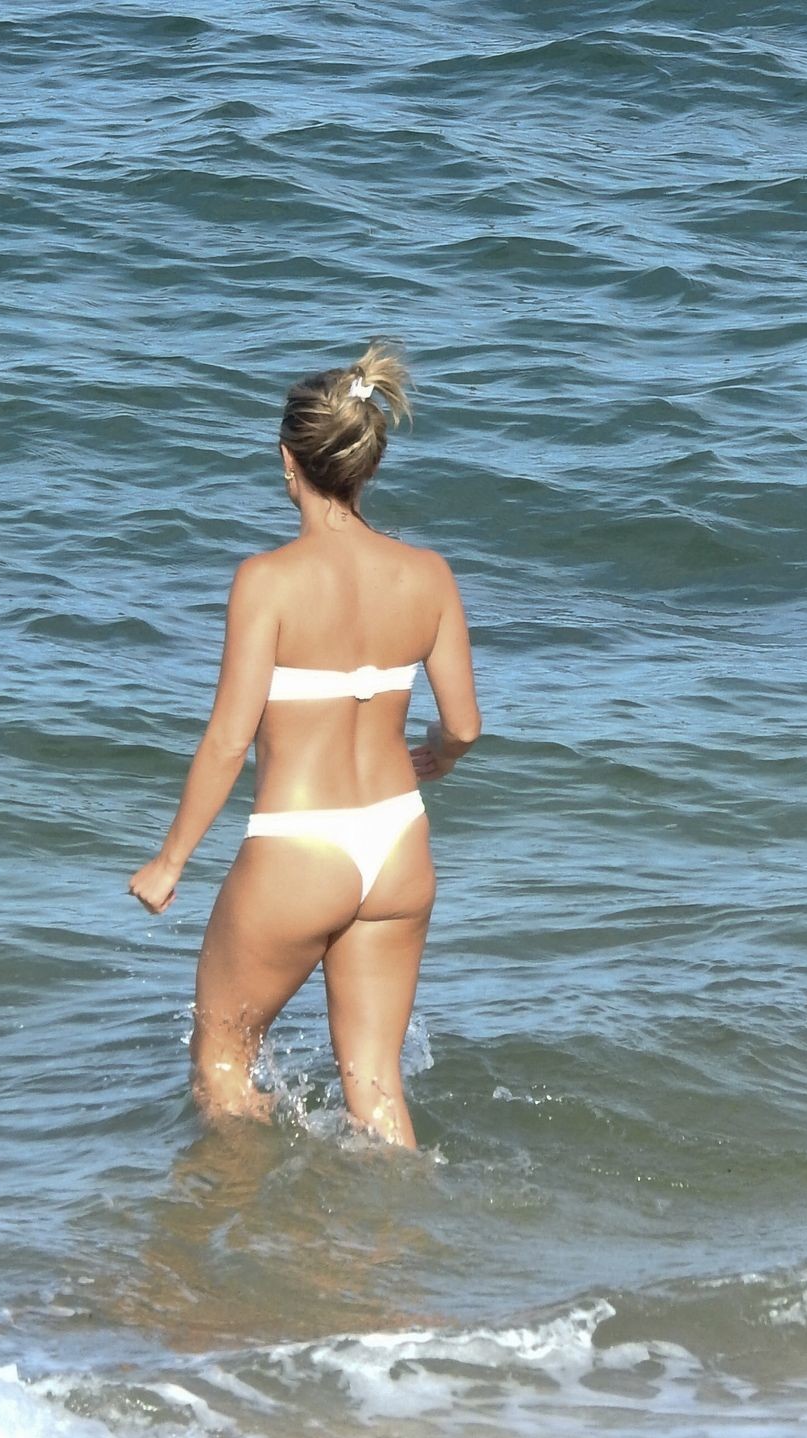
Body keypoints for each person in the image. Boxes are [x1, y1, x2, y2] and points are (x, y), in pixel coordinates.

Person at [128, 342, 481, 1146]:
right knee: (376, 1084)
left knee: (223, 1063)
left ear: (288, 460)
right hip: (396, 845)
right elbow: (464, 724)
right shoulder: (428, 574)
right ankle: (399, 1219)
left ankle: (226, 1219)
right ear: (369, 464)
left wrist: (171, 861)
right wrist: (442, 754)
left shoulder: (269, 580)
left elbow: (229, 739)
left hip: (299, 848)